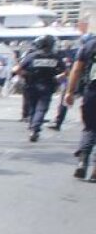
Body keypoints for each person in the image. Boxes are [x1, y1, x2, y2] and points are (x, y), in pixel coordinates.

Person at [16, 35, 64, 142]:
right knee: (41, 109)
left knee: (33, 107)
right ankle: (35, 128)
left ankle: (32, 126)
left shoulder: (32, 56)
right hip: (47, 85)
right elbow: (65, 72)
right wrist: (57, 78)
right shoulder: (55, 57)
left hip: (31, 85)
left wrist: (26, 75)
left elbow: (17, 69)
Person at [63, 25, 96, 180]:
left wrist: (69, 92)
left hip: (92, 91)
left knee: (90, 128)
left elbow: (76, 70)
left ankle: (82, 161)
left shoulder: (90, 45)